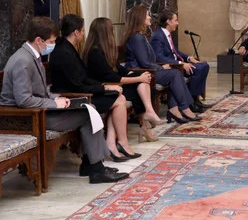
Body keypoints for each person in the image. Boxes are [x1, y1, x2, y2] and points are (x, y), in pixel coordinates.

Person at [0, 17, 128, 183]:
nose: (53, 45)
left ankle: (92, 166)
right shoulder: (22, 61)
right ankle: (96, 169)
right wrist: (54, 103)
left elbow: (40, 91)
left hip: (40, 111)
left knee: (88, 109)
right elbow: (24, 100)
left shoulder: (31, 56)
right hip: (27, 118)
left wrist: (58, 98)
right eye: (51, 41)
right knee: (88, 114)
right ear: (39, 40)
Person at [49, 14, 140, 161]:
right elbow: (78, 85)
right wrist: (105, 88)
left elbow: (83, 78)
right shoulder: (64, 53)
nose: (84, 34)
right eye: (83, 31)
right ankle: (120, 143)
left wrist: (105, 86)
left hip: (79, 92)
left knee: (118, 98)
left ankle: (112, 142)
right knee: (118, 100)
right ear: (76, 32)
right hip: (73, 98)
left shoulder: (67, 48)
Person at [83, 17, 166, 143]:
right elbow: (111, 77)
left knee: (144, 84)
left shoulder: (105, 50)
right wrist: (138, 77)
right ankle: (145, 123)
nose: (113, 33)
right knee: (142, 85)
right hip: (105, 87)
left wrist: (132, 73)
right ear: (104, 33)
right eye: (111, 30)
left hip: (113, 84)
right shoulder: (94, 53)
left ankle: (146, 118)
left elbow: (120, 70)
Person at [123, 6, 200, 124]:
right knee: (175, 74)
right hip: (142, 72)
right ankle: (184, 108)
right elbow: (144, 62)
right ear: (140, 18)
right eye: (147, 15)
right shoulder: (136, 38)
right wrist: (160, 67)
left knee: (175, 74)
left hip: (148, 70)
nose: (150, 17)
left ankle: (176, 109)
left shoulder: (140, 36)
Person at [150, 9, 211, 113]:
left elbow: (175, 51)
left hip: (178, 65)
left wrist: (188, 58)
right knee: (200, 68)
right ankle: (191, 102)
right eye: (175, 20)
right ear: (168, 21)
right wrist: (180, 63)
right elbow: (159, 57)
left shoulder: (167, 34)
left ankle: (194, 98)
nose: (177, 23)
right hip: (171, 67)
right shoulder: (158, 36)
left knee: (204, 66)